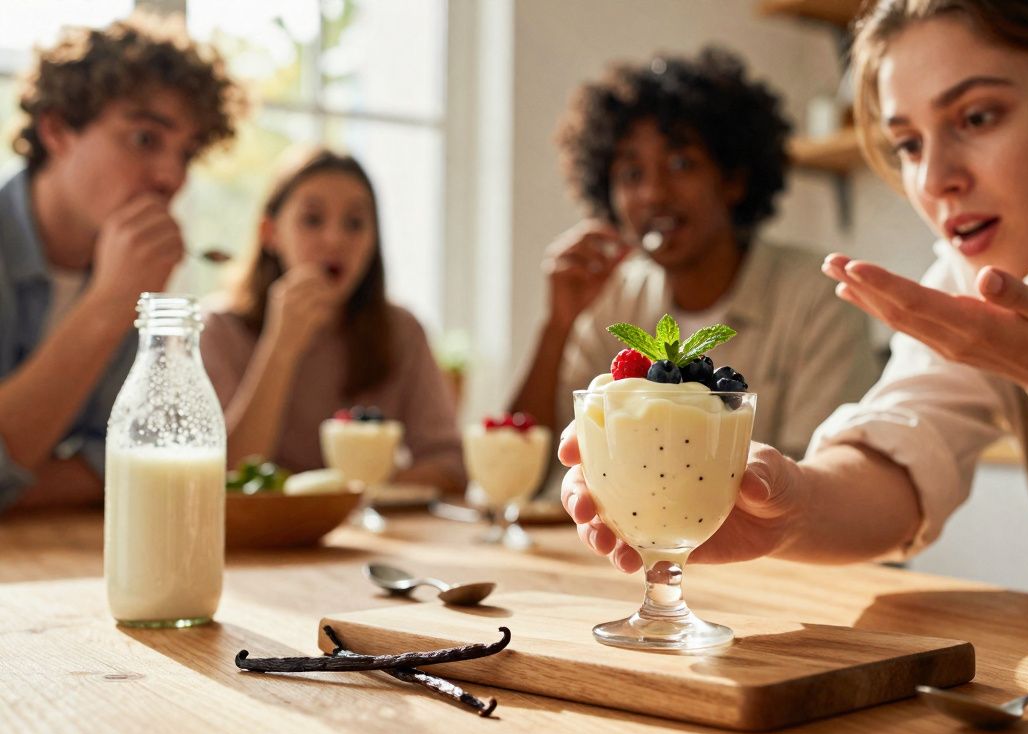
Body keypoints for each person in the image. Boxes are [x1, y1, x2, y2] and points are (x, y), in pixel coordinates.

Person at [560, 0, 1028, 632]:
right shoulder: (969, 277)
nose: (934, 178)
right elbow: (896, 461)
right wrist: (785, 507)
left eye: (977, 116)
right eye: (908, 143)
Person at [510, 46, 879, 461]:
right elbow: (527, 461)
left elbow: (819, 478)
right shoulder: (613, 299)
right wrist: (558, 325)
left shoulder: (818, 299)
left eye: (682, 164)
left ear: (734, 180)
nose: (653, 193)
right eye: (632, 174)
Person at [0, 14, 243, 512]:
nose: (171, 177)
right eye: (145, 140)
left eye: (187, 154)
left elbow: (136, 457)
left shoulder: (135, 268)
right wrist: (110, 302)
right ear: (57, 129)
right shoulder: (125, 278)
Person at [200, 147, 466, 496]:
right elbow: (225, 475)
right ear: (270, 233)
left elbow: (448, 464)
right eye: (312, 220)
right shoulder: (218, 329)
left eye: (355, 223)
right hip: (259, 543)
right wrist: (280, 348)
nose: (335, 239)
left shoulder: (401, 332)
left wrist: (347, 499)